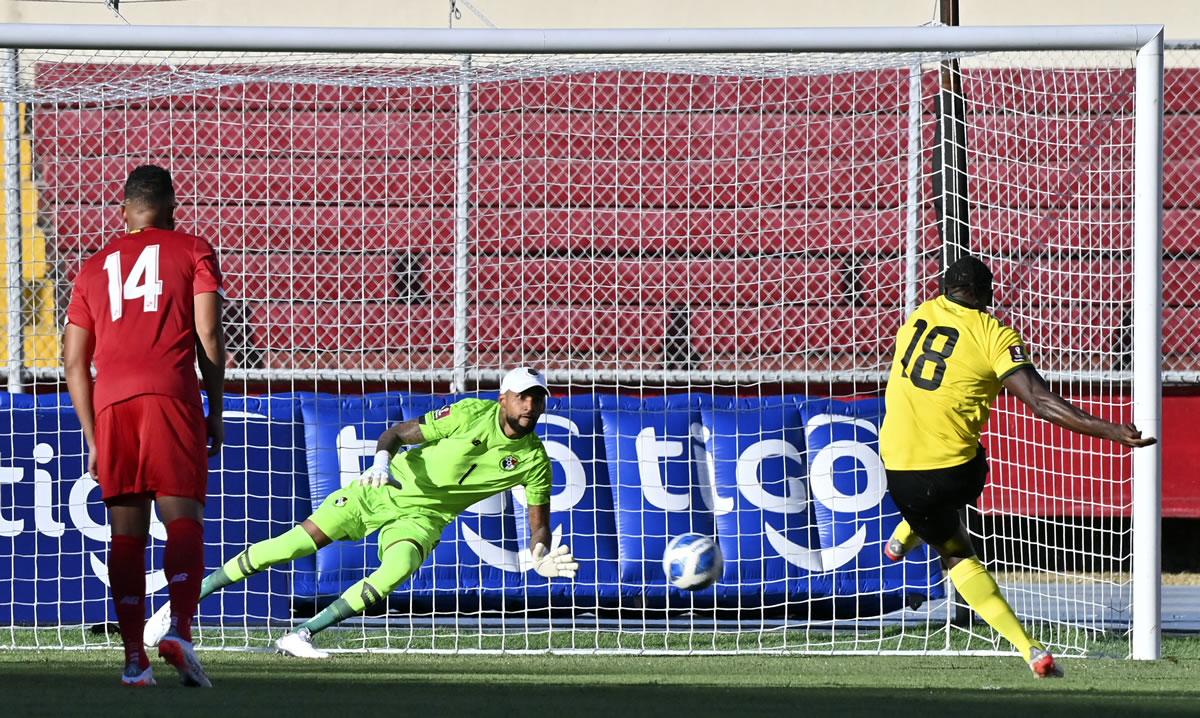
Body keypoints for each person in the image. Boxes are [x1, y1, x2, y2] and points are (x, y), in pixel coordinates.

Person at [144, 366, 578, 658]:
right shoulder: (468, 413)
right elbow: (397, 432)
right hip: (381, 489)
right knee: (292, 545)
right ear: (504, 398)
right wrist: (381, 461)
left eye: (538, 399)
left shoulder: (536, 460)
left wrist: (540, 557)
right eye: (523, 397)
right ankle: (181, 604)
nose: (531, 407)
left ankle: (301, 634)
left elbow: (539, 525)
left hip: (423, 519)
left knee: (399, 569)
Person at [879, 255, 1155, 679]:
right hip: (953, 473)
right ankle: (1028, 647)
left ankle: (1029, 649)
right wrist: (1110, 430)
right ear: (983, 293)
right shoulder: (993, 334)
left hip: (898, 472)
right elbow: (1043, 403)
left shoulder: (918, 316)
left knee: (949, 546)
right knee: (966, 501)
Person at [64, 165, 226, 687]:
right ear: (172, 206)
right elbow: (208, 333)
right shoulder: (192, 248)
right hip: (169, 394)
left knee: (125, 534)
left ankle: (134, 660)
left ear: (124, 209)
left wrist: (93, 436)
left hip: (112, 404)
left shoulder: (92, 268)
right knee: (183, 516)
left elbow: (72, 362)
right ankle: (179, 628)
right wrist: (215, 409)